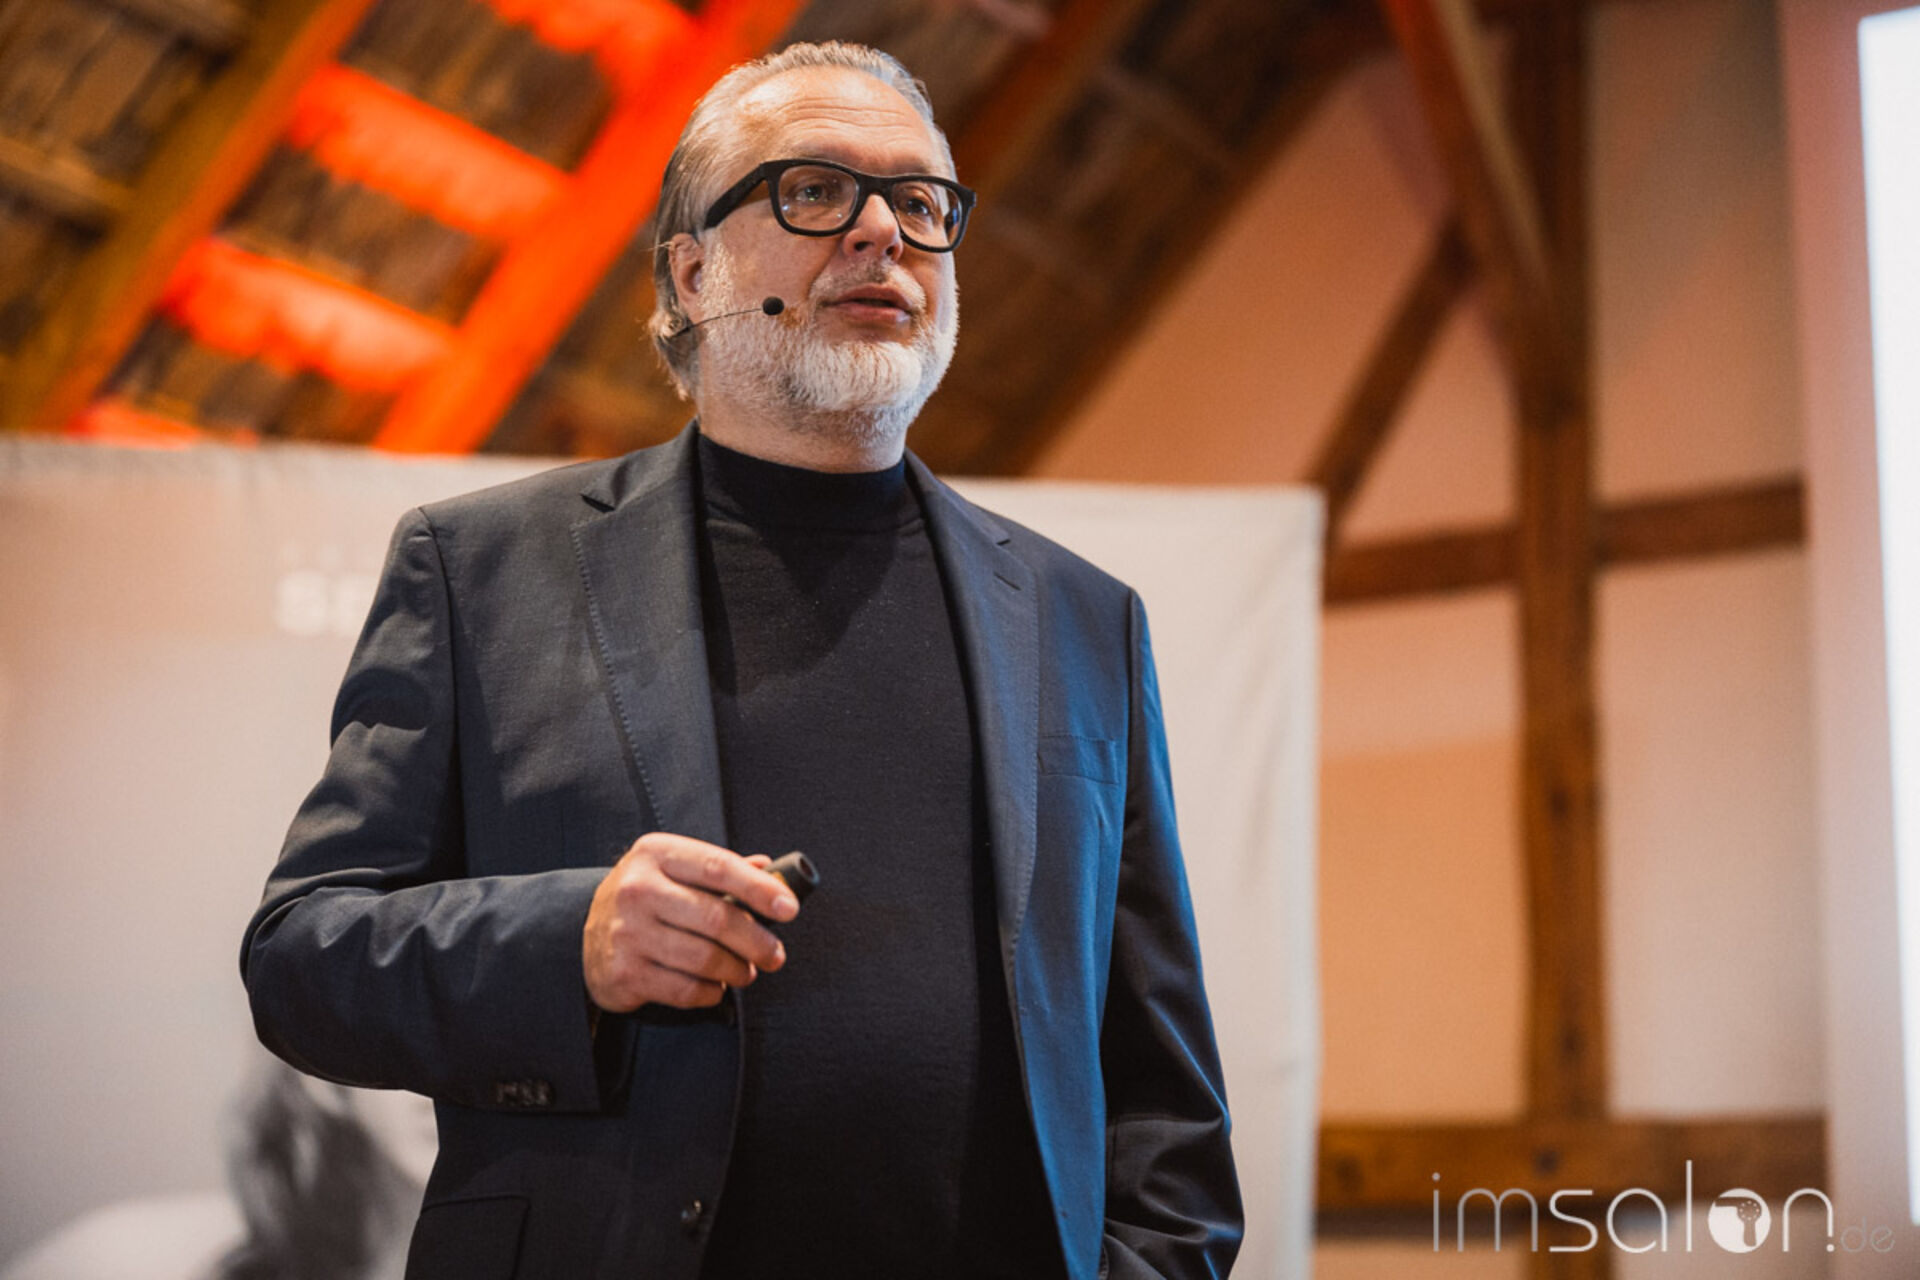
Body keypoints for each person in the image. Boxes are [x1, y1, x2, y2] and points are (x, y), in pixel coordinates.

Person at [241, 40, 1241, 1280]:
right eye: (815, 190)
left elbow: (1159, 1078)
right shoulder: (482, 569)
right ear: (692, 268)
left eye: (922, 202)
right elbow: (302, 957)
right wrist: (573, 941)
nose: (882, 230)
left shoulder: (1082, 616)